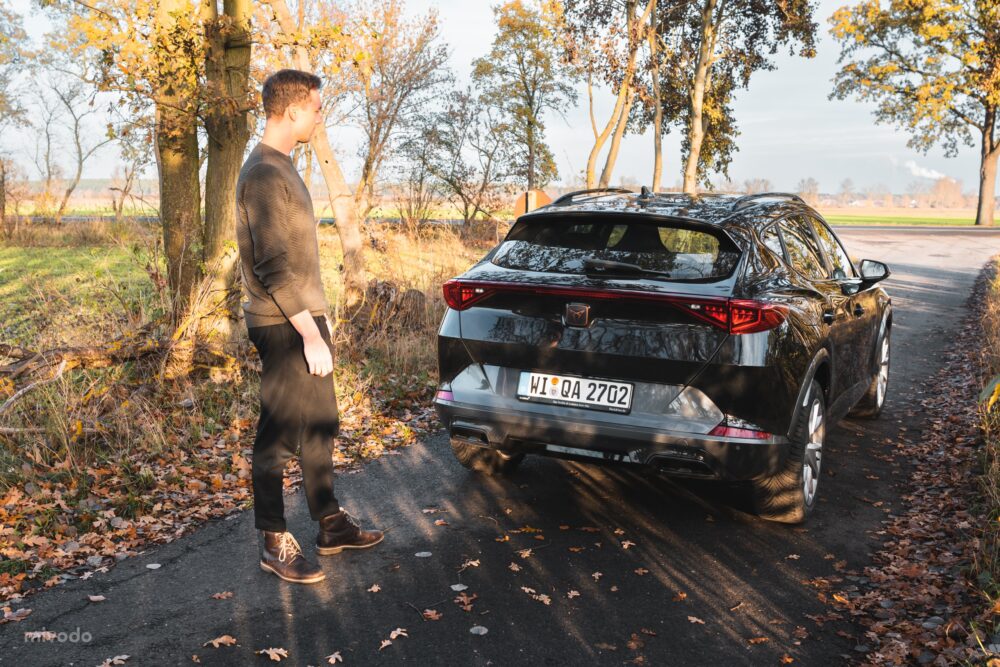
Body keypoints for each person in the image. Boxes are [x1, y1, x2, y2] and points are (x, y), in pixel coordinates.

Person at [235, 69, 383, 585]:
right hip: (282, 324)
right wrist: (310, 333)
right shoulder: (263, 174)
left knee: (321, 423)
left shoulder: (284, 166)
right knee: (278, 433)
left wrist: (318, 321)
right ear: (293, 110)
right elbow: (273, 267)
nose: (320, 117)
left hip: (303, 318)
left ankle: (330, 523)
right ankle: (273, 539)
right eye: (317, 108)